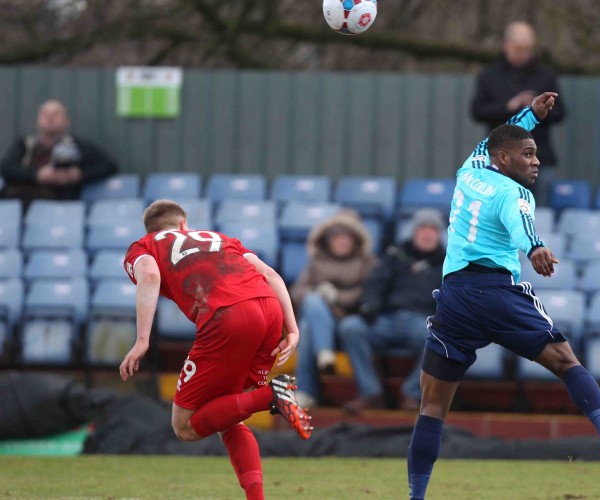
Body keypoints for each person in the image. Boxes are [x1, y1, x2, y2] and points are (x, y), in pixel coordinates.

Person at [406, 94, 600, 499]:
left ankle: (416, 496)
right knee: (566, 361)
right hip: (495, 293)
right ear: (504, 161)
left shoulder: (469, 170)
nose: (536, 161)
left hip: (454, 297)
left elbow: (492, 138)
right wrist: (536, 246)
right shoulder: (515, 194)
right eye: (527, 154)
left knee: (432, 406)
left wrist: (532, 117)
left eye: (535, 153)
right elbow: (521, 222)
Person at [120, 199, 312, 500]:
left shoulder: (142, 246)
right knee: (227, 415)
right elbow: (272, 275)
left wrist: (142, 340)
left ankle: (271, 395)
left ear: (150, 229)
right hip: (270, 309)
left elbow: (150, 275)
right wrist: (293, 329)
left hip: (227, 316)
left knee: (184, 427)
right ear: (184, 224)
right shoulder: (220, 239)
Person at [338, 208, 445, 412]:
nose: (428, 233)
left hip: (422, 323)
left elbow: (453, 297)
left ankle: (412, 394)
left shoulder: (449, 263)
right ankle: (370, 393)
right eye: (423, 228)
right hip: (385, 320)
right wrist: (369, 306)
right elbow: (375, 284)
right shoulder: (395, 255)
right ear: (414, 232)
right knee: (350, 327)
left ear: (440, 234)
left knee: (443, 339)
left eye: (433, 229)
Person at [471, 21, 565, 206]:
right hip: (500, 160)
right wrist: (508, 106)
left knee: (537, 214)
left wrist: (538, 109)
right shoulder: (489, 76)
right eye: (519, 49)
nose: (524, 55)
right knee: (497, 211)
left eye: (528, 50)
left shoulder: (545, 76)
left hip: (539, 158)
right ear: (506, 45)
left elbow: (561, 113)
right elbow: (477, 111)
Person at [290, 209, 375, 407]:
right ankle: (323, 355)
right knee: (311, 307)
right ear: (329, 240)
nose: (342, 242)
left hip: (348, 318)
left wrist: (337, 296)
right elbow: (297, 291)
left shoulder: (367, 263)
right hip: (320, 319)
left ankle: (307, 389)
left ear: (355, 240)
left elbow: (367, 292)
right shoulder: (316, 261)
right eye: (338, 237)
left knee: (308, 324)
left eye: (347, 237)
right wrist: (319, 293)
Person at [0, 100, 118, 207]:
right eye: (46, 114)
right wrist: (38, 175)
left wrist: (77, 175)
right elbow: (6, 168)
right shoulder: (24, 144)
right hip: (18, 201)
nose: (50, 118)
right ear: (38, 120)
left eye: (56, 114)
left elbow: (109, 166)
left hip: (58, 203)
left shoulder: (78, 146)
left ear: (67, 121)